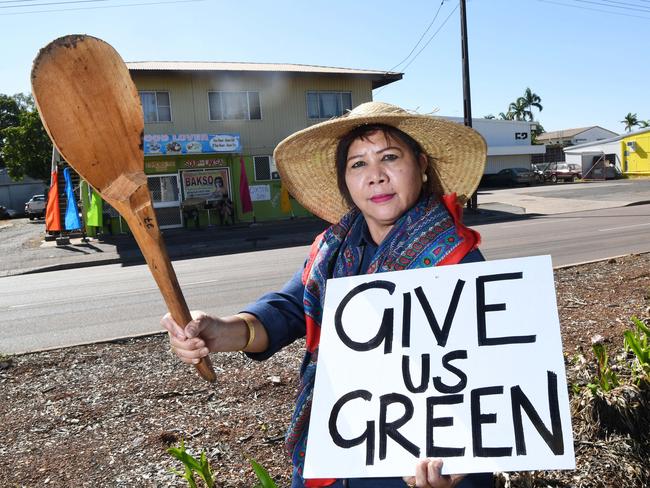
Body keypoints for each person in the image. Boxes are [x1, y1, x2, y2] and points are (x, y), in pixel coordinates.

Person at [162, 102, 492, 488]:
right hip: (337, 446)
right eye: (358, 164)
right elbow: (287, 309)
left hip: (412, 465)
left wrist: (454, 469)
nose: (376, 176)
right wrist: (221, 331)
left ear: (420, 165)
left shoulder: (459, 260)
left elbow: (485, 386)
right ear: (346, 182)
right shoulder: (332, 249)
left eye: (389, 157)